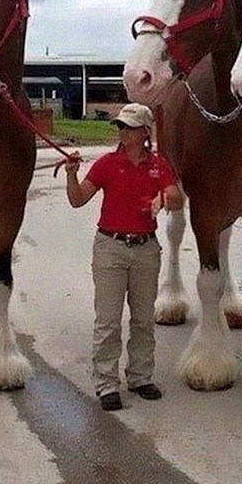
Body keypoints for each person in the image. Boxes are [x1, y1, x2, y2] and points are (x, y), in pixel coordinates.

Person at [64, 103, 183, 411]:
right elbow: (78, 200)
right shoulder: (106, 164)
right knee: (108, 322)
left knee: (144, 320)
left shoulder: (159, 165)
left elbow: (177, 198)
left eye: (129, 126)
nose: (122, 131)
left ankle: (141, 377)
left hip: (145, 248)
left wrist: (164, 197)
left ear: (145, 132)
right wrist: (71, 176)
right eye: (120, 126)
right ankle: (106, 383)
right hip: (110, 248)